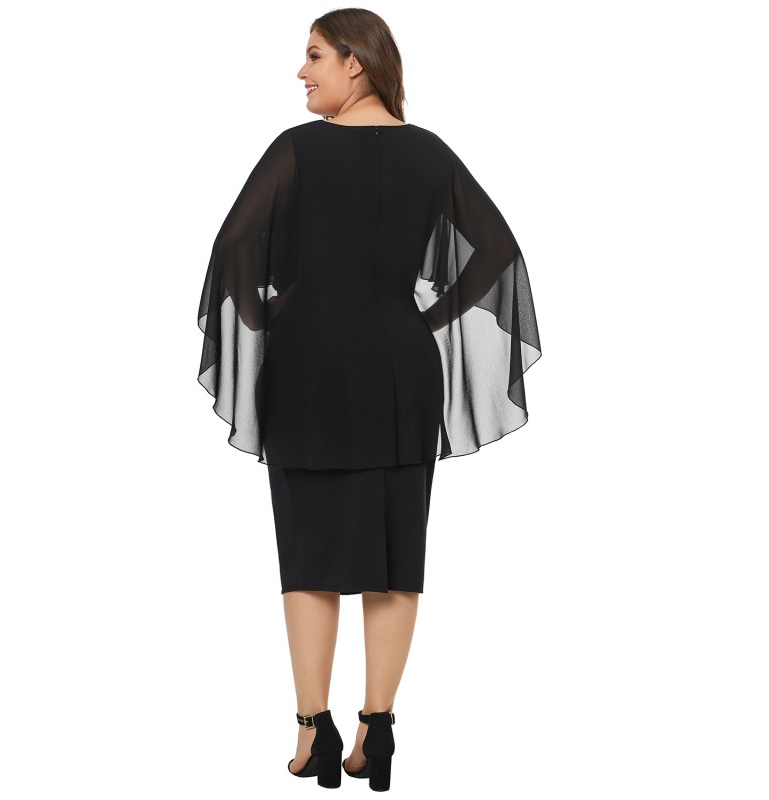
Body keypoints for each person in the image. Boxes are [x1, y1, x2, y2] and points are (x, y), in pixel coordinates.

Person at [196, 9, 542, 791]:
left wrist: (272, 316)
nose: (302, 71)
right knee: (394, 558)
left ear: (355, 62)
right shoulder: (430, 153)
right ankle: (376, 731)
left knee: (310, 553)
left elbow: (232, 249)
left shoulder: (296, 150)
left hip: (310, 369)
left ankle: (312, 732)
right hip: (400, 371)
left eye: (314, 55)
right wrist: (426, 316)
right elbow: (495, 251)